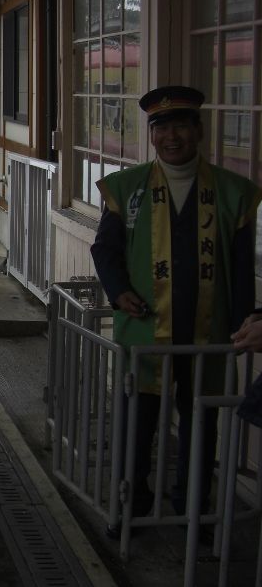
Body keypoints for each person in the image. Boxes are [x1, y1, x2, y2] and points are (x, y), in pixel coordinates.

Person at [90, 85, 261, 534]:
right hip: (145, 330)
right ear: (151, 135)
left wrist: (245, 324)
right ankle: (130, 508)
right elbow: (105, 249)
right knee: (136, 424)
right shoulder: (126, 188)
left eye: (181, 125)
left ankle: (194, 510)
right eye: (161, 127)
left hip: (210, 333)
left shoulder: (233, 193)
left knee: (201, 425)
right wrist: (118, 291)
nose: (171, 136)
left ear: (198, 131)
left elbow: (242, 268)